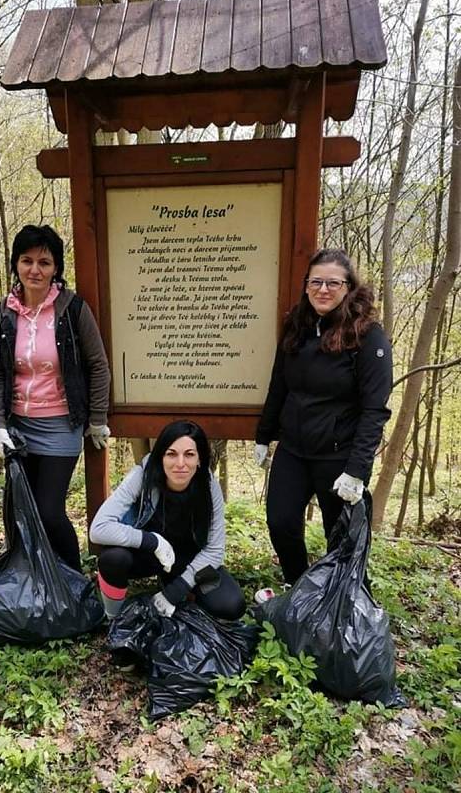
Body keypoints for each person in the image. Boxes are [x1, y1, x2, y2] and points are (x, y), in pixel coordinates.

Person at [254, 248, 392, 587]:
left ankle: (343, 600)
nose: (323, 289)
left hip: (339, 455)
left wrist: (356, 471)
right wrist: (264, 434)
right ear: (306, 285)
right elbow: (279, 383)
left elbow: (375, 410)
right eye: (316, 281)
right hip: (294, 450)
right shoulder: (297, 327)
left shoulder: (367, 335)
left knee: (342, 536)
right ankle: (301, 590)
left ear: (348, 287)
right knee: (281, 522)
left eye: (333, 282)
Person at [0, 224, 110, 572]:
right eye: (27, 261)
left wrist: (97, 418)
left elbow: (98, 365)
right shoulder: (3, 313)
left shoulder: (72, 310)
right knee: (18, 510)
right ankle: (31, 577)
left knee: (50, 511)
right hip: (18, 427)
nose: (35, 270)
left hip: (60, 425)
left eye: (45, 262)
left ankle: (72, 578)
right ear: (16, 264)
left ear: (56, 268)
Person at [90, 420, 246, 624]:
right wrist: (151, 541)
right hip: (148, 555)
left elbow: (215, 550)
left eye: (189, 454)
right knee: (113, 559)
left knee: (231, 605)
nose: (180, 463)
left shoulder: (208, 487)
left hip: (189, 560)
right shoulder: (142, 476)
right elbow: (99, 528)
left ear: (199, 459)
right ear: (161, 457)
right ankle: (114, 619)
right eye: (171, 454)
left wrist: (177, 590)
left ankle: (172, 583)